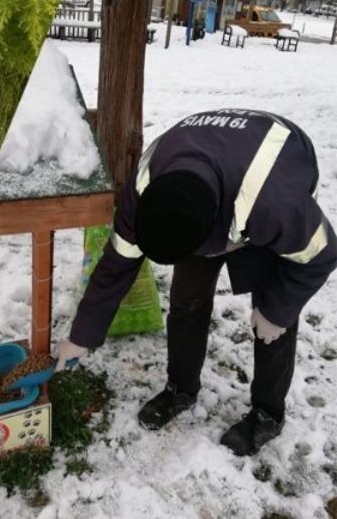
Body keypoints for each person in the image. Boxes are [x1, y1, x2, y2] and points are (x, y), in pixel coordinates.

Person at [55, 109, 336, 456]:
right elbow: (115, 267)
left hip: (278, 160)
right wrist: (81, 336)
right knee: (186, 297)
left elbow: (320, 255)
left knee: (274, 311)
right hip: (210, 173)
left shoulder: (275, 203)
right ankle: (181, 388)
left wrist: (278, 311)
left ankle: (268, 412)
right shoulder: (143, 190)